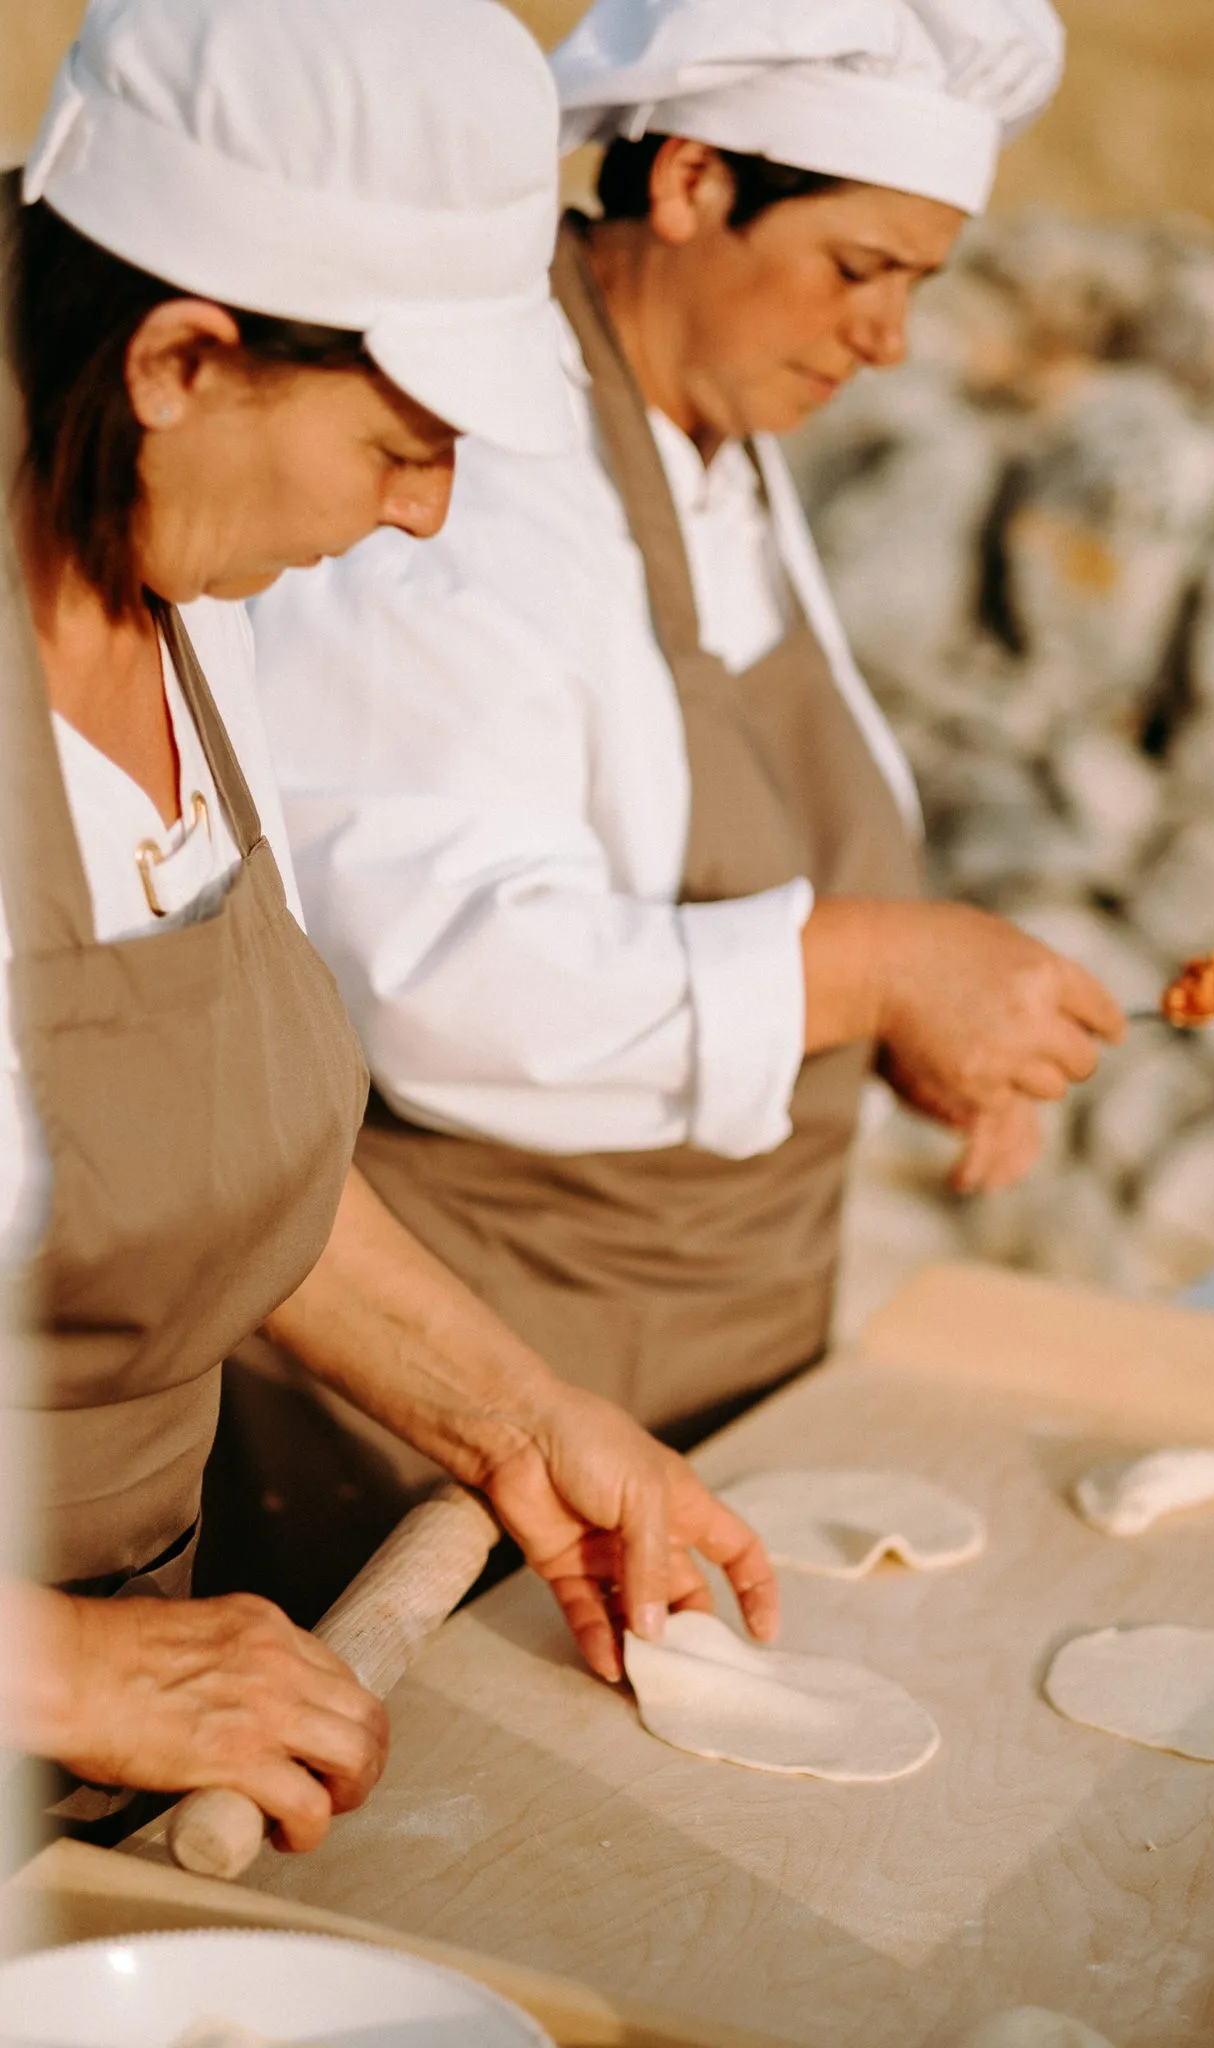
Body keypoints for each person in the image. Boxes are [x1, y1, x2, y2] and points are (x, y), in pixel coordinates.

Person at [0, 0, 777, 1854]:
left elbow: (194, 1141)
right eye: (402, 444)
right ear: (184, 358)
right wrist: (71, 1672)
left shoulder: (181, 597)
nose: (428, 518)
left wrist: (514, 1421)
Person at [252, 0, 1128, 1447]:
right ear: (692, 183)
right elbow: (436, 977)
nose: (891, 338)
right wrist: (876, 970)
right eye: (858, 268)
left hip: (712, 1359)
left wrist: (909, 1017)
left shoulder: (712, 433)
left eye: (917, 282)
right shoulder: (472, 474)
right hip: (474, 1397)